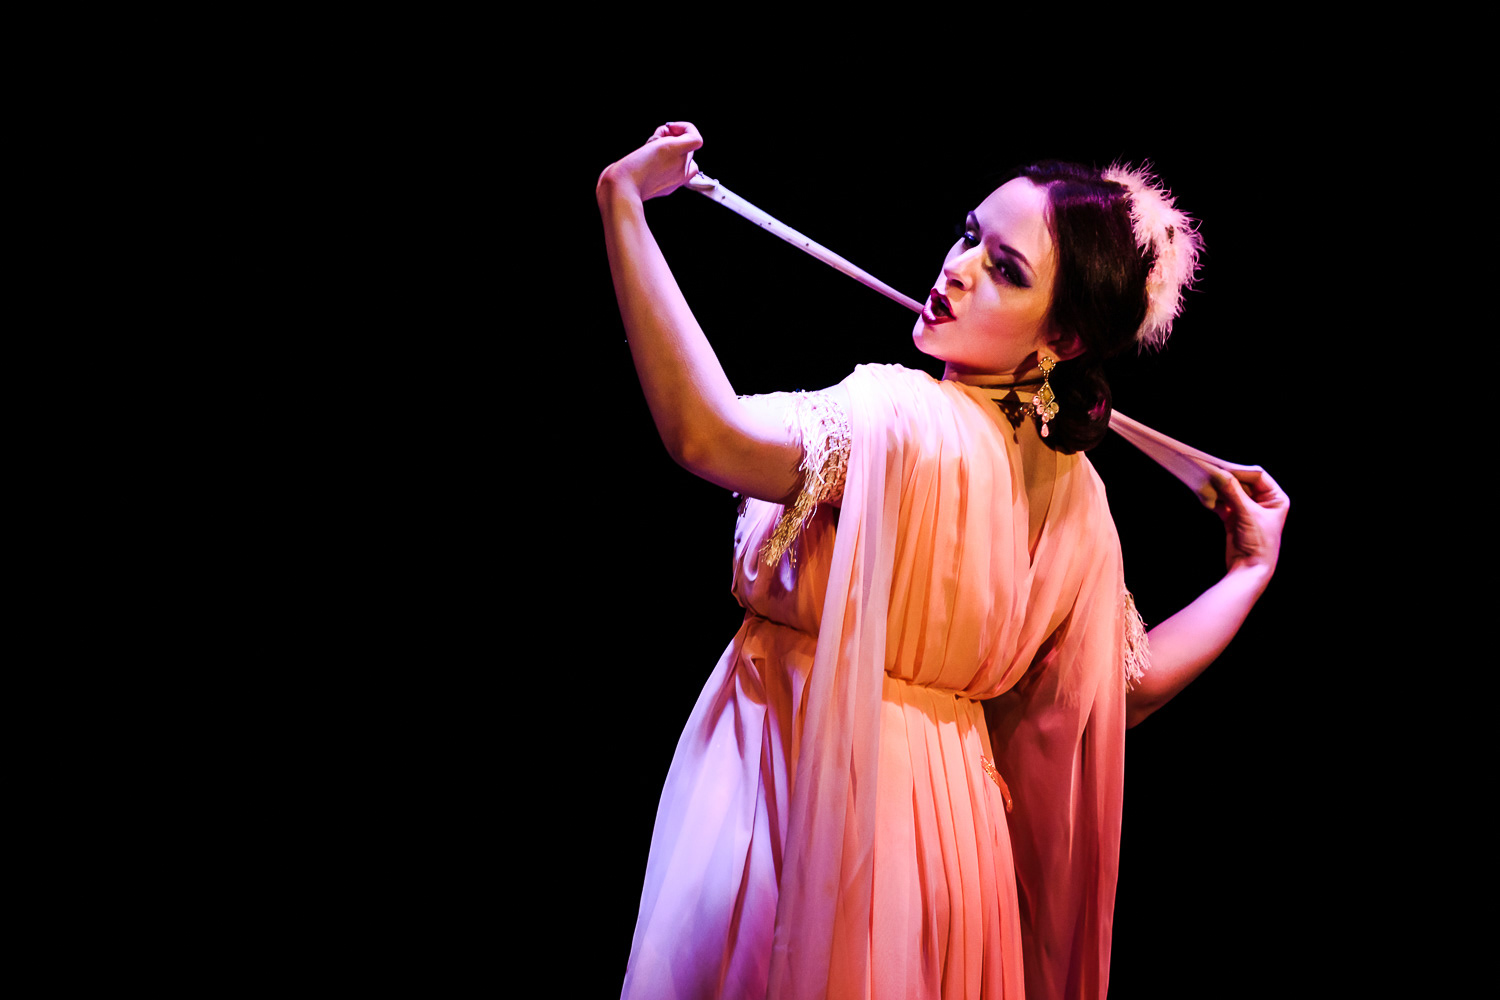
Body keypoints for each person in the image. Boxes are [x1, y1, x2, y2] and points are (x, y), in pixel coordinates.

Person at [598, 122, 1288, 1000]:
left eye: (1006, 270)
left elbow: (709, 434)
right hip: (951, 857)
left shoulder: (898, 419)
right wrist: (1249, 573)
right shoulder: (1080, 498)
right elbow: (1130, 687)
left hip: (800, 804)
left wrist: (623, 203)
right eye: (969, 236)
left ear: (1064, 337)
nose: (958, 269)